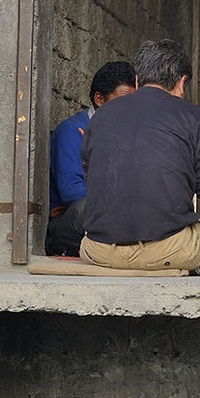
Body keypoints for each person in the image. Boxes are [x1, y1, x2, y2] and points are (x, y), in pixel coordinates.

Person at [79, 38, 200, 275]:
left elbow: (90, 176)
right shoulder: (194, 117)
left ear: (138, 80)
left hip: (97, 252)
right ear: (181, 83)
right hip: (167, 252)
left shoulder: (101, 115)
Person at [45, 60, 136, 256]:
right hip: (67, 226)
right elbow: (72, 192)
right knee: (85, 207)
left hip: (108, 219)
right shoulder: (72, 132)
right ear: (99, 99)